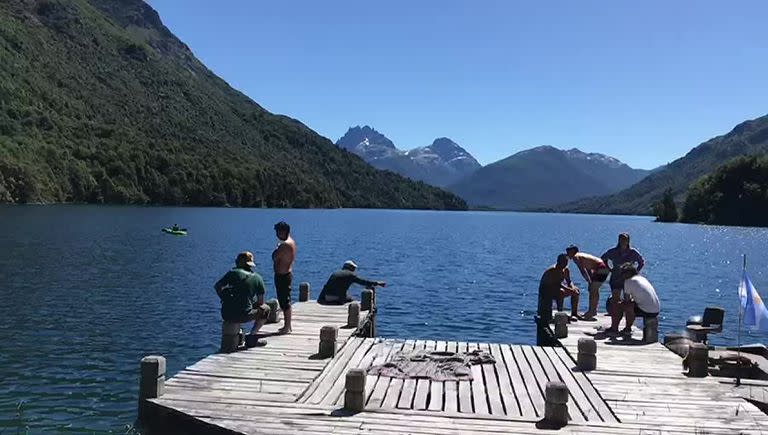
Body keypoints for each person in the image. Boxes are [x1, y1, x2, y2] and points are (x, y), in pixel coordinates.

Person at [214, 251, 270, 345]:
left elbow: (217, 286)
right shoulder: (258, 278)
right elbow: (260, 302)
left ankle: (239, 335)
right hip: (245, 316)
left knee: (237, 307)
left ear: (239, 262)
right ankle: (252, 336)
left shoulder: (232, 273)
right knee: (266, 309)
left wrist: (224, 298)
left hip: (227, 314)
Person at [601, 233, 645, 331]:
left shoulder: (633, 252)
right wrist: (609, 268)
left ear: (628, 241)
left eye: (625, 239)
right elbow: (603, 258)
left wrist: (635, 272)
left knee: (627, 302)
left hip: (628, 279)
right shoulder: (613, 251)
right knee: (615, 301)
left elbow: (641, 262)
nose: (623, 241)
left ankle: (628, 327)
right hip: (616, 277)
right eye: (621, 239)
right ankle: (614, 326)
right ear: (618, 240)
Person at [565, 245, 610, 321]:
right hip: (602, 267)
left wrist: (589, 281)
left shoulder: (576, 257)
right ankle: (592, 310)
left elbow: (582, 270)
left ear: (573, 251)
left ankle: (592, 311)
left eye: (568, 252)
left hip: (601, 268)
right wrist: (590, 280)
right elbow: (588, 268)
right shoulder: (581, 256)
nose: (567, 254)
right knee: (593, 289)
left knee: (593, 289)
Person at [615, 263, 660, 334]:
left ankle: (621, 328)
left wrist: (619, 303)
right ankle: (627, 328)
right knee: (629, 305)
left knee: (619, 306)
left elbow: (627, 300)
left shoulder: (628, 281)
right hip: (656, 310)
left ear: (628, 273)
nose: (621, 275)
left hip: (646, 311)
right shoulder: (642, 278)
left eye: (623, 273)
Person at [317, 261, 386, 304]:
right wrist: (377, 283)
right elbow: (364, 282)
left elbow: (326, 286)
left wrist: (320, 299)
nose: (354, 270)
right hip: (336, 298)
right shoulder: (351, 275)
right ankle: (338, 302)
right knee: (351, 299)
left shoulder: (335, 273)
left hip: (326, 297)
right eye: (354, 268)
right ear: (351, 268)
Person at [537, 254, 580, 323]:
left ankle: (574, 313)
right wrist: (569, 290)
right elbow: (557, 284)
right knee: (561, 292)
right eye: (563, 262)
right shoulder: (553, 270)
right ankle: (560, 312)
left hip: (556, 288)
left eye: (566, 262)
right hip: (546, 290)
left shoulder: (566, 270)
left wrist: (573, 288)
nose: (565, 264)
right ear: (558, 261)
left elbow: (569, 281)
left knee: (576, 291)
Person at [272, 221, 296, 335]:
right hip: (285, 274)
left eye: (278, 232)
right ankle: (287, 326)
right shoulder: (291, 242)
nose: (276, 234)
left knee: (285, 302)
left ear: (283, 232)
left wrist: (276, 249)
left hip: (283, 275)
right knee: (285, 301)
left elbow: (275, 257)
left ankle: (287, 327)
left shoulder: (285, 244)